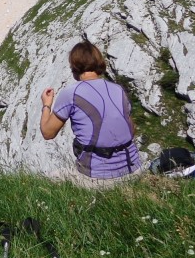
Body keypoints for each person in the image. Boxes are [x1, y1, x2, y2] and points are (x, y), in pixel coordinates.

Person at [40, 40, 141, 186]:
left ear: (74, 67)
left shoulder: (71, 93)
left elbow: (47, 133)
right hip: (134, 170)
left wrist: (46, 105)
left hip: (98, 178)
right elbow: (131, 130)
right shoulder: (118, 89)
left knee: (47, 181)